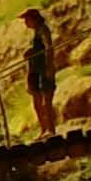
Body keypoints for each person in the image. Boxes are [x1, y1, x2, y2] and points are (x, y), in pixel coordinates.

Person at [23, 8, 61, 137]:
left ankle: (50, 129)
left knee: (46, 102)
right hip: (36, 70)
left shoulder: (43, 30)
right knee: (37, 103)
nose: (26, 23)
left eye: (27, 19)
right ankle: (44, 129)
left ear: (34, 19)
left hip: (43, 69)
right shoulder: (37, 33)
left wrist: (49, 68)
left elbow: (49, 48)